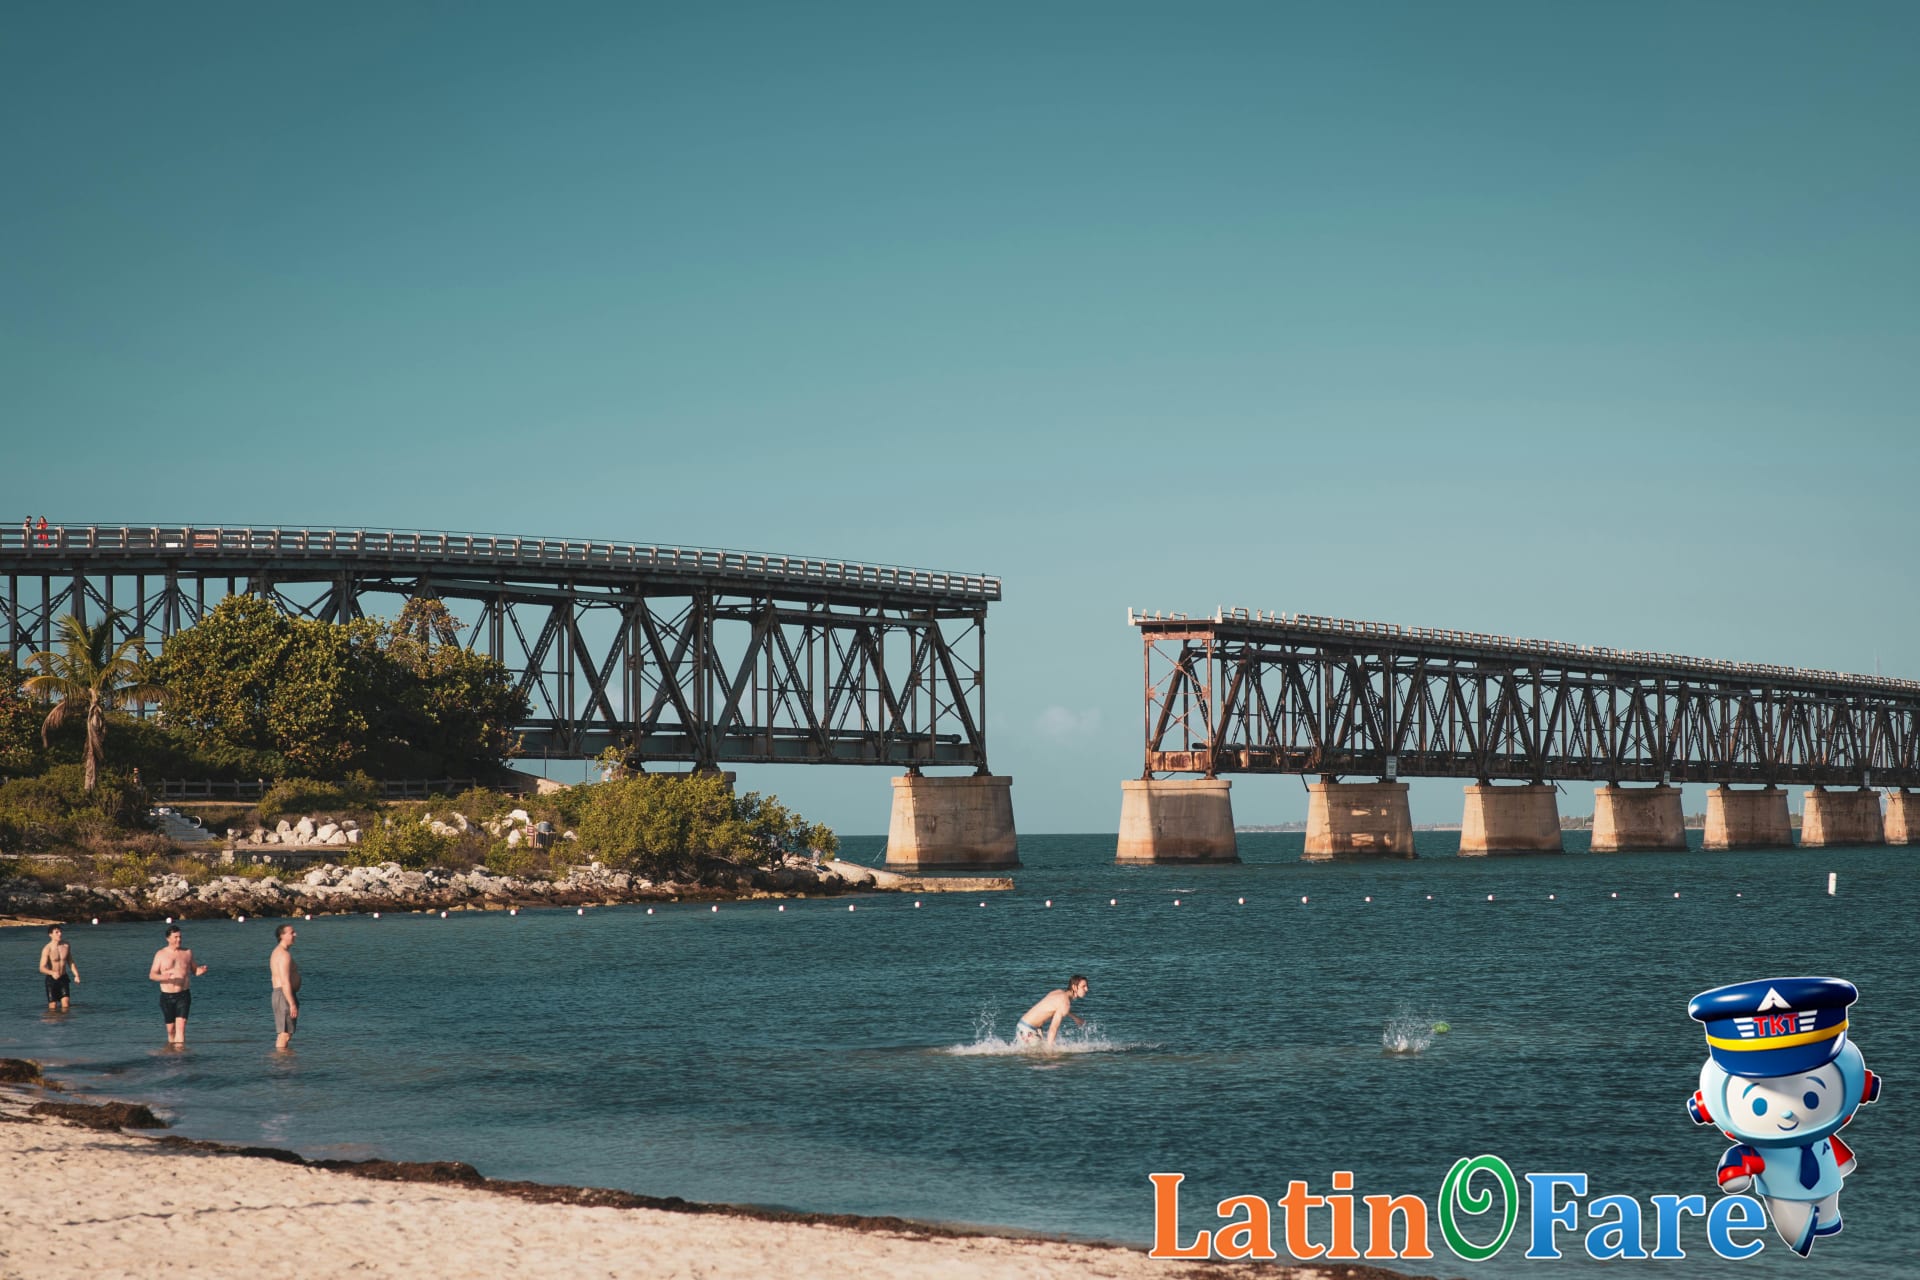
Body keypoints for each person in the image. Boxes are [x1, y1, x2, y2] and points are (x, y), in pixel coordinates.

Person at [148, 925, 208, 1045]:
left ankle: (180, 1057)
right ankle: (172, 1051)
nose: (179, 940)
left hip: (183, 995)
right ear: (168, 938)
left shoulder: (187, 952)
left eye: (180, 937)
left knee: (181, 1028)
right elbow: (152, 975)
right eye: (175, 937)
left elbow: (194, 970)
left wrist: (201, 971)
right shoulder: (160, 954)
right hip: (167, 996)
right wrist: (163, 977)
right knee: (171, 1030)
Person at [1014, 975, 1090, 1048]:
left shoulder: (1058, 992)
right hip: (1028, 1030)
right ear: (1074, 987)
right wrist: (1050, 1052)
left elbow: (1056, 1007)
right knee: (1041, 1056)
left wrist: (1075, 1018)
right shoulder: (1065, 1003)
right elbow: (1053, 1028)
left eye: (1087, 986)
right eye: (1083, 986)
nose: (1087, 989)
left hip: (1023, 1025)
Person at [269, 923, 301, 1050]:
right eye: (291, 933)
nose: (295, 935)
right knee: (285, 1034)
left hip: (282, 995)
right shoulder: (283, 955)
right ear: (282, 936)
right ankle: (281, 1062)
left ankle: (283, 1061)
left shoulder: (279, 952)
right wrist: (292, 1003)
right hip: (284, 995)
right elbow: (285, 981)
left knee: (285, 1032)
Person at [38, 925, 79, 1011]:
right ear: (50, 934)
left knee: (66, 1005)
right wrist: (52, 973)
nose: (60, 934)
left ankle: (65, 1024)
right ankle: (53, 1023)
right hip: (51, 980)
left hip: (63, 978)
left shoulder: (66, 945)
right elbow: (41, 968)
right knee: (53, 1007)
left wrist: (76, 975)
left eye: (60, 932)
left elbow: (70, 961)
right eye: (57, 932)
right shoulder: (47, 949)